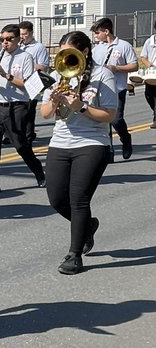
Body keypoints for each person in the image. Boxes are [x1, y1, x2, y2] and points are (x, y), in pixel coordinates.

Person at [40, 31, 117, 275]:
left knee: (78, 199)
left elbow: (109, 115)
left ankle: (74, 255)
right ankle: (88, 226)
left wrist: (80, 106)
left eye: (69, 52)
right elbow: (44, 114)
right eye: (62, 53)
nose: (65, 57)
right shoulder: (57, 74)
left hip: (92, 142)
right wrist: (54, 101)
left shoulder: (102, 75)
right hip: (61, 142)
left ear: (84, 52)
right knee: (57, 200)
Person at [0, 24, 46, 194]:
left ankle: (39, 172)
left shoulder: (26, 57)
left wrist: (6, 75)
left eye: (9, 39)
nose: (5, 43)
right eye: (2, 39)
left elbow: (27, 85)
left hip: (17, 105)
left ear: (18, 39)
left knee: (20, 144)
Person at [90, 18, 138, 160]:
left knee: (116, 119)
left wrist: (116, 68)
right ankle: (108, 151)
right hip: (100, 88)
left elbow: (134, 66)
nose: (96, 36)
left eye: (97, 33)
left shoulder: (124, 46)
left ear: (106, 31)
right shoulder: (97, 49)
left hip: (118, 88)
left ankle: (126, 139)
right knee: (104, 121)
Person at [18, 20, 51, 141]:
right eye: (20, 34)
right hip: (19, 82)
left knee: (28, 111)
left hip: (33, 83)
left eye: (25, 34)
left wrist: (27, 65)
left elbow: (43, 67)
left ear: (31, 33)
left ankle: (28, 135)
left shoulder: (39, 47)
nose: (22, 37)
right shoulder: (18, 47)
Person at [139, 20, 156, 129]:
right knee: (149, 95)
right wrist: (148, 63)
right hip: (152, 73)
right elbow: (143, 57)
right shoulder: (149, 41)